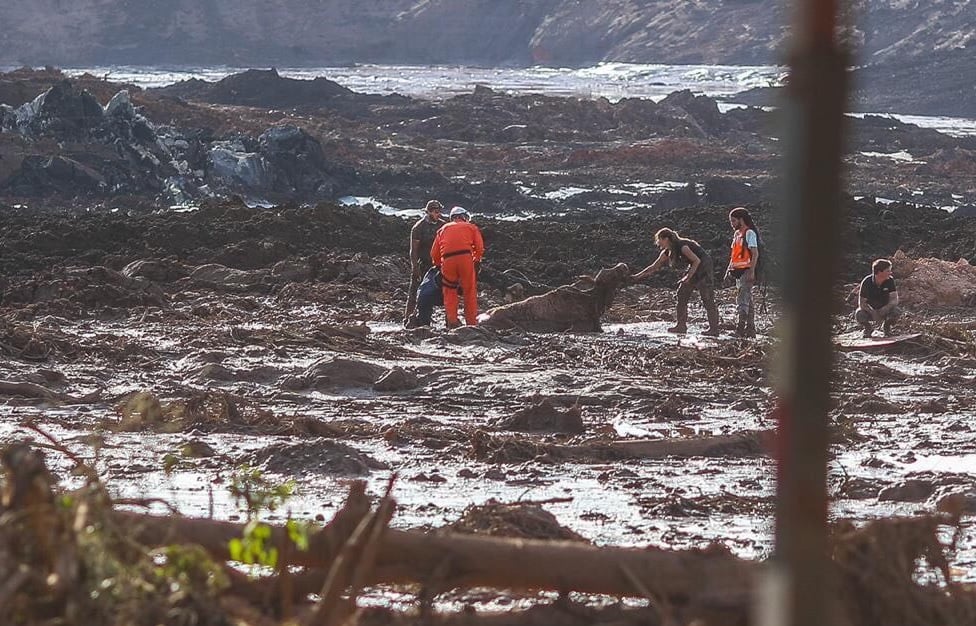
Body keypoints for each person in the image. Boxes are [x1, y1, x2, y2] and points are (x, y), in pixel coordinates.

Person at [631, 227, 721, 336]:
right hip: (693, 268)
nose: (658, 243)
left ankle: (714, 329)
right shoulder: (668, 251)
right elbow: (654, 266)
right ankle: (681, 326)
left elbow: (697, 260)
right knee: (681, 294)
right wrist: (637, 276)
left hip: (704, 267)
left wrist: (688, 277)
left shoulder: (683, 246)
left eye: (659, 240)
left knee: (707, 298)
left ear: (666, 239)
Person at [431, 206, 484, 328]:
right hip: (465, 259)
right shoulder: (471, 227)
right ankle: (471, 323)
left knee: (449, 291)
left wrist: (439, 265)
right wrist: (476, 260)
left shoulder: (442, 229)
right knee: (469, 291)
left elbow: (434, 253)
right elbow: (480, 248)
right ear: (463, 216)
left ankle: (452, 322)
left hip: (448, 261)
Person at [403, 200, 445, 327]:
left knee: (442, 292)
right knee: (414, 292)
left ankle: (436, 319)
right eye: (436, 212)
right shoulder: (418, 227)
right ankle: (407, 319)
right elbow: (413, 250)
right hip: (423, 264)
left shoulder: (443, 225)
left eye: (439, 211)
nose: (438, 214)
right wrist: (415, 267)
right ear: (428, 212)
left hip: (438, 266)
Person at [724, 207, 760, 337]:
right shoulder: (737, 235)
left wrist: (752, 271)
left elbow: (755, 253)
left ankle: (740, 329)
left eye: (733, 221)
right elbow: (734, 254)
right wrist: (728, 269)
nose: (732, 224)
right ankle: (751, 330)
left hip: (746, 271)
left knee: (742, 300)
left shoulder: (749, 233)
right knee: (747, 299)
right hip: (737, 271)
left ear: (741, 220)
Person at [855, 258, 901, 337]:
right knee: (859, 313)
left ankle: (887, 328)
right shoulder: (867, 282)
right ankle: (868, 328)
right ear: (880, 272)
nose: (890, 273)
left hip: (885, 310)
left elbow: (894, 299)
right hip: (870, 311)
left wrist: (886, 308)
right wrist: (873, 312)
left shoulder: (890, 281)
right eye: (888, 271)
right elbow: (862, 303)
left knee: (896, 311)